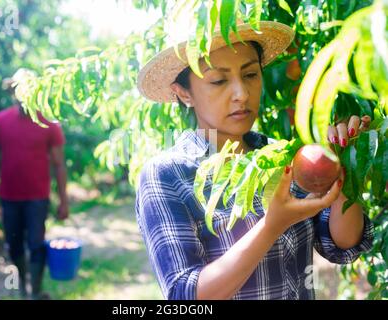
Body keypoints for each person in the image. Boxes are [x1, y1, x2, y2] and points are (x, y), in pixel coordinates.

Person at [135, 20, 374, 300]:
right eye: (219, 80)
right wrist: (272, 225)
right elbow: (184, 295)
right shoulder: (167, 174)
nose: (242, 94)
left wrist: (347, 166)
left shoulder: (282, 157)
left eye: (250, 75)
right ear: (184, 93)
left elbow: (342, 245)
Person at [0, 79, 69, 299]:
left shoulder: (48, 124)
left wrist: (63, 200)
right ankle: (22, 289)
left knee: (36, 243)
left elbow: (59, 164)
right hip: (9, 196)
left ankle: (35, 292)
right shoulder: (1, 121)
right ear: (13, 94)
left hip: (37, 197)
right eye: (19, 92)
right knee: (13, 246)